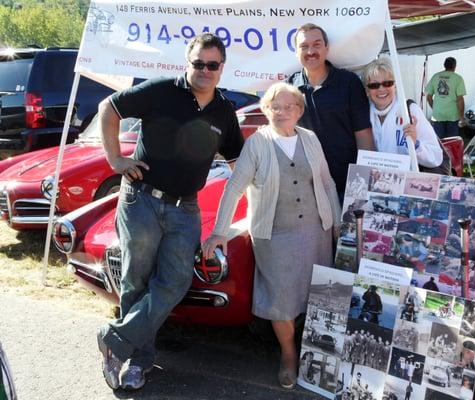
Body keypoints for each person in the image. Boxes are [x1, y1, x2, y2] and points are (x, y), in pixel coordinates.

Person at [96, 33, 244, 390]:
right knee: (137, 280)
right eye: (198, 63)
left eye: (212, 65)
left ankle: (115, 339)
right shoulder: (161, 89)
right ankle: (138, 363)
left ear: (222, 68)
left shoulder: (224, 110)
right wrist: (115, 158)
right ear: (187, 62)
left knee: (175, 281)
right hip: (141, 200)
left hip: (185, 209)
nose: (205, 71)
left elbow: (239, 161)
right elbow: (108, 109)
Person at [202, 82, 341, 390]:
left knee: (320, 293)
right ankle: (289, 354)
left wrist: (337, 222)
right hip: (275, 236)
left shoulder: (310, 138)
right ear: (265, 110)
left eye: (289, 106)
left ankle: (319, 352)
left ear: (300, 111)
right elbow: (234, 187)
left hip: (316, 231)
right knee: (281, 299)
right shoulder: (257, 143)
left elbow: (327, 182)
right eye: (275, 106)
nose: (282, 112)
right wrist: (219, 232)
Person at [287, 23, 375, 199]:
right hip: (309, 189)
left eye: (317, 44)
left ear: (327, 48)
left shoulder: (349, 83)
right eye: (304, 46)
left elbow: (364, 135)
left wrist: (364, 182)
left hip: (347, 185)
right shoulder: (290, 87)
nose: (311, 51)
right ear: (296, 52)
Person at [362, 58, 443, 169]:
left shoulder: (410, 111)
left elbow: (436, 157)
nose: (381, 89)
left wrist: (416, 144)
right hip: (375, 181)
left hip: (405, 183)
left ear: (395, 86)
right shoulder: (362, 113)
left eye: (387, 83)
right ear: (367, 90)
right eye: (374, 85)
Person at [425, 57, 467, 138]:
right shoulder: (458, 78)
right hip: (453, 116)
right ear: (455, 66)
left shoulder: (435, 76)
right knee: (451, 141)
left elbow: (429, 97)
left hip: (438, 115)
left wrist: (435, 108)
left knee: (439, 142)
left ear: (444, 65)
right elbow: (460, 100)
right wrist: (461, 117)